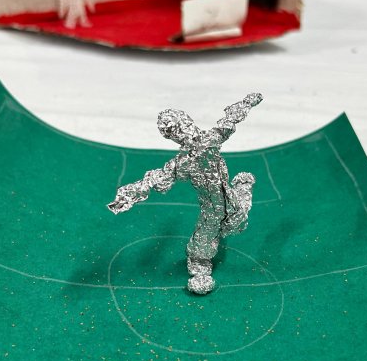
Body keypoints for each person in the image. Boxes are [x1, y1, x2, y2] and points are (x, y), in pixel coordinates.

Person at [108, 93, 263, 294]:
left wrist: (247, 103)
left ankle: (243, 186)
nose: (181, 134)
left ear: (188, 123)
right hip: (210, 209)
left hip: (229, 200)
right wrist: (130, 194)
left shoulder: (210, 141)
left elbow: (229, 120)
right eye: (174, 133)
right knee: (204, 237)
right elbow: (157, 178)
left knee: (238, 220)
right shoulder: (183, 163)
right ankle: (200, 267)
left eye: (181, 128)